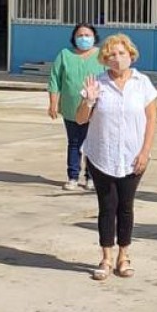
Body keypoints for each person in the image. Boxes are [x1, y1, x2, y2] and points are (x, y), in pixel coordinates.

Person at [75, 33, 157, 281]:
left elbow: (151, 119)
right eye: (111, 55)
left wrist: (145, 151)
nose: (117, 59)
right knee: (107, 206)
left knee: (126, 207)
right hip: (102, 155)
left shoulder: (142, 83)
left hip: (133, 156)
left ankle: (124, 255)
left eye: (122, 54)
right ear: (104, 59)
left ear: (131, 55)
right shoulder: (97, 83)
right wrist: (88, 102)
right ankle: (106, 257)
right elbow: (80, 119)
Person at [47, 23, 103, 191]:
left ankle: (91, 177)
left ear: (94, 37)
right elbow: (55, 80)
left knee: (92, 143)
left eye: (87, 35)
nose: (84, 38)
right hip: (71, 108)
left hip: (95, 109)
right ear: (74, 37)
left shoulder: (101, 56)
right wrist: (53, 103)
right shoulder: (65, 55)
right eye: (80, 35)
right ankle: (72, 176)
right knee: (74, 142)